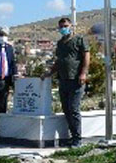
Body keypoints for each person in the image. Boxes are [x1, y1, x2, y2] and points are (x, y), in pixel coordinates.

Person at [42, 17, 89, 147]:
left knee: (74, 108)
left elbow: (86, 56)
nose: (63, 28)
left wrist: (83, 73)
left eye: (66, 26)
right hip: (63, 79)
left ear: (71, 26)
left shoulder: (79, 40)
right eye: (61, 27)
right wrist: (49, 73)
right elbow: (58, 61)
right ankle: (72, 136)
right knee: (66, 109)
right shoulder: (60, 43)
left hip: (76, 80)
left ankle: (77, 139)